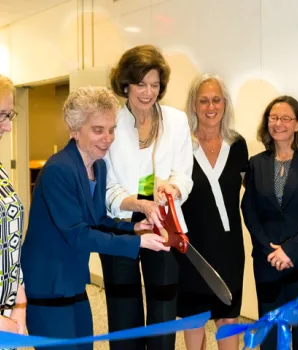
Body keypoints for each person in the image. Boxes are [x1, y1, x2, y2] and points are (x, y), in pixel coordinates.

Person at [21, 86, 169, 349]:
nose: (108, 138)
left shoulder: (97, 167)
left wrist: (135, 228)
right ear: (74, 131)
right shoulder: (58, 170)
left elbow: (98, 219)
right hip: (48, 284)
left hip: (74, 282)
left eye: (111, 129)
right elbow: (78, 234)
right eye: (98, 130)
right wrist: (138, 244)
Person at [101, 44, 193, 350]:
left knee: (163, 306)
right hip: (122, 219)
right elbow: (108, 185)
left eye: (154, 85)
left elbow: (184, 174)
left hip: (163, 219)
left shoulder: (176, 120)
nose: (148, 92)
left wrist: (173, 189)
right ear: (126, 84)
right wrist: (138, 204)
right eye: (141, 84)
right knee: (122, 305)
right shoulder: (110, 121)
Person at [241, 95, 298, 350]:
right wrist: (269, 249)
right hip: (268, 262)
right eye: (273, 117)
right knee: (270, 335)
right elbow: (248, 210)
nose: (278, 123)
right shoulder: (256, 164)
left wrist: (290, 251)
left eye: (285, 118)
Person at [176, 73, 248, 350]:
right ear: (193, 105)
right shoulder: (182, 144)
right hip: (191, 247)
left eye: (216, 100)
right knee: (193, 319)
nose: (210, 107)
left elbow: (253, 191)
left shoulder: (237, 144)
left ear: (225, 103)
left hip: (229, 247)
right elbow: (153, 178)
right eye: (203, 100)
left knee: (228, 317)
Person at [0, 74, 27, 336]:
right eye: (1, 115)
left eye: (10, 115)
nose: (8, 127)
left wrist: (19, 304)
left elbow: (11, 241)